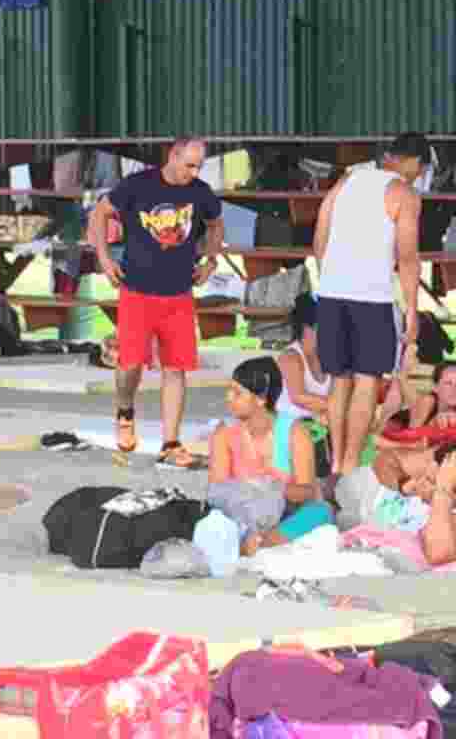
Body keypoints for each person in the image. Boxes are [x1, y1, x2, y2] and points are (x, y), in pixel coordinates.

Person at [91, 137, 223, 469]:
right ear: (173, 156)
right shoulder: (137, 185)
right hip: (137, 291)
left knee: (175, 368)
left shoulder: (200, 192)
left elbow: (216, 223)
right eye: (189, 165)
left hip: (178, 293)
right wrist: (105, 259)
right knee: (130, 365)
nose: (193, 173)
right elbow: (100, 214)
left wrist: (210, 260)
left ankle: (171, 442)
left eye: (199, 166)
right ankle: (125, 409)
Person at [313, 132, 427, 477]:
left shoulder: (347, 180)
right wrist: (411, 310)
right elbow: (407, 258)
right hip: (371, 297)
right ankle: (348, 464)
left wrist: (329, 277)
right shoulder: (403, 194)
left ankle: (334, 462)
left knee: (339, 380)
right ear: (414, 163)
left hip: (332, 292)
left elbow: (320, 236)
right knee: (366, 381)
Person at [209, 357, 334, 556]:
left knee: (320, 512)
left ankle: (259, 544)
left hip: (285, 515)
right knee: (213, 520)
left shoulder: (295, 432)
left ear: (260, 399)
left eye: (237, 393)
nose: (228, 398)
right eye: (229, 391)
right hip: (240, 515)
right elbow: (216, 492)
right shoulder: (223, 435)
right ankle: (259, 544)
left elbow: (308, 492)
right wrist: (252, 490)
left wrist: (274, 489)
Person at [333, 443, 456, 566]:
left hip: (358, 523)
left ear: (455, 494)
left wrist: (442, 492)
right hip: (357, 490)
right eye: (425, 475)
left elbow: (437, 555)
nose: (420, 481)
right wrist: (402, 483)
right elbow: (386, 458)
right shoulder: (437, 464)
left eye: (430, 481)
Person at [275, 292, 331, 424]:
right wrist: (342, 408)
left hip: (322, 424)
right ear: (308, 326)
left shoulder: (332, 354)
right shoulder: (290, 357)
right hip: (294, 428)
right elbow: (299, 397)